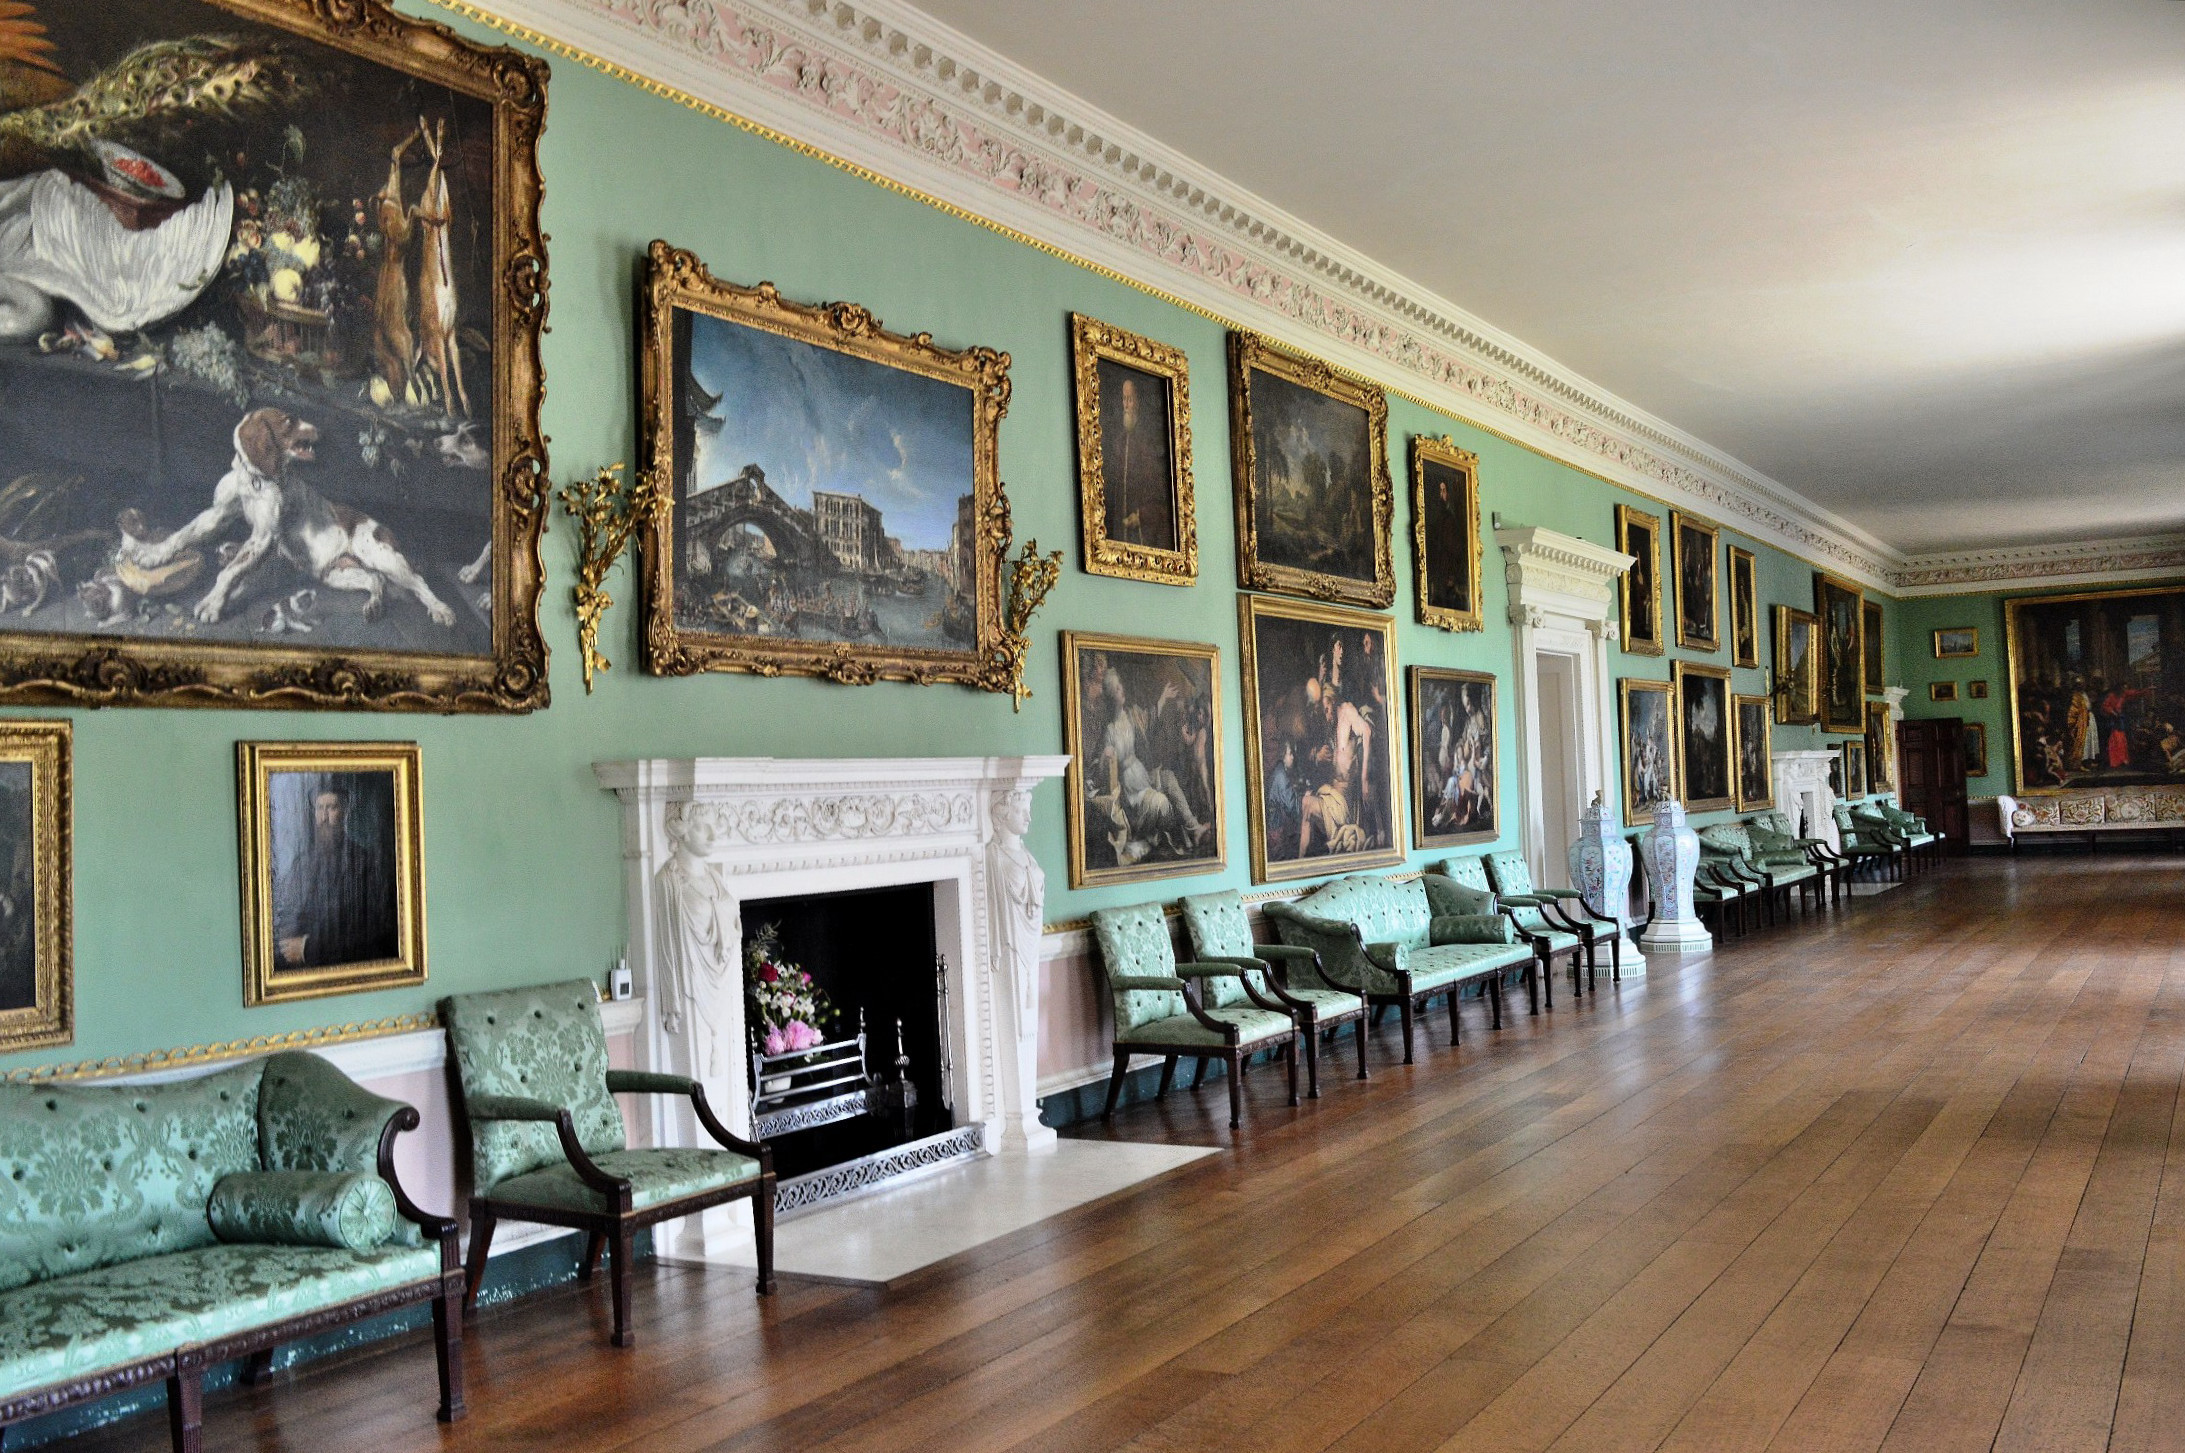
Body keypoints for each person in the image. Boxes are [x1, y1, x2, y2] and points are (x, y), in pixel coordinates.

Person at [274, 782, 396, 968]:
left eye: (331, 808)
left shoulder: (364, 862)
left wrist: (308, 947)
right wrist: (288, 942)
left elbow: (370, 927)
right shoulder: (302, 863)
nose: (324, 817)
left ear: (345, 812)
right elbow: (287, 912)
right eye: (319, 808)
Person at [1100, 370, 1173, 548]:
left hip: (1143, 530)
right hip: (1120, 530)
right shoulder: (1119, 442)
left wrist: (1142, 515)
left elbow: (1160, 493)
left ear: (1138, 402)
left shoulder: (1148, 441)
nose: (1126, 405)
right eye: (1124, 399)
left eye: (1130, 399)